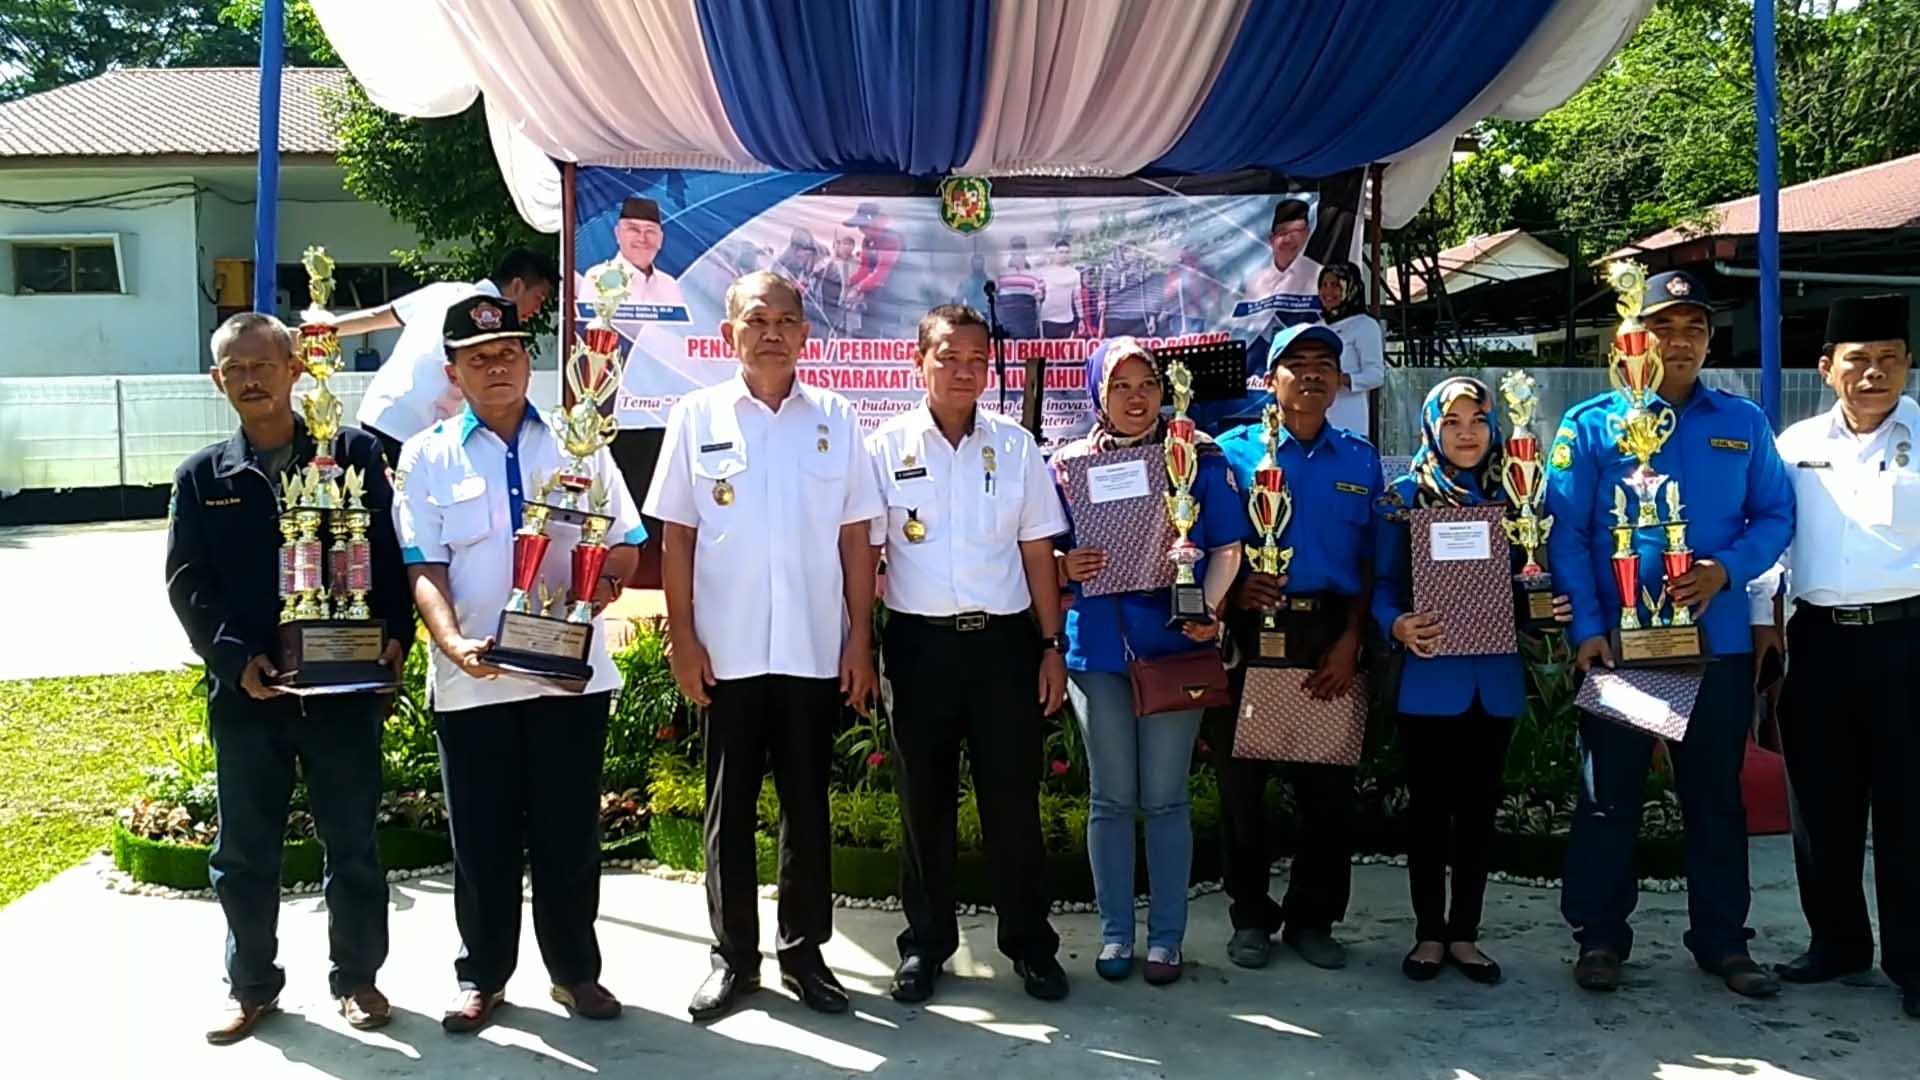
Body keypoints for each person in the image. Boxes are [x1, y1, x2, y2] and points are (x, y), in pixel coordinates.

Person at [394, 295, 645, 1033]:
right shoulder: (426, 455)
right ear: (454, 373)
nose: (495, 366)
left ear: (528, 361)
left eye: (507, 352)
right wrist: (449, 643)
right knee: (482, 842)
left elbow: (625, 542)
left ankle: (575, 974)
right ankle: (483, 977)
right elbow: (424, 565)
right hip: (473, 680)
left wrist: (596, 594)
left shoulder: (580, 442)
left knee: (569, 836)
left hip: (568, 677)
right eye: (477, 358)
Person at [1544, 270, 1794, 998]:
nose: (1678, 342)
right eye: (1663, 327)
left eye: (1693, 329)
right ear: (1636, 337)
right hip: (1622, 649)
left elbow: (1775, 514)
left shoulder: (1742, 422)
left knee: (1715, 798)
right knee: (1609, 795)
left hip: (1714, 645)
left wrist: (1725, 570)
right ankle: (1600, 937)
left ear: (1709, 341)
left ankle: (1723, 941)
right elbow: (1567, 533)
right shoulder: (1592, 424)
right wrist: (1587, 628)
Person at [646, 272, 884, 1021]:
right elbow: (677, 537)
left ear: (806, 334)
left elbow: (857, 537)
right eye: (757, 319)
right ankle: (734, 959)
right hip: (729, 650)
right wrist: (684, 638)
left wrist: (859, 640)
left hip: (814, 648)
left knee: (807, 809)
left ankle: (804, 955)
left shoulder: (838, 418)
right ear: (730, 335)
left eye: (786, 320)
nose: (772, 332)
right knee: (730, 810)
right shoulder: (695, 415)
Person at [167, 312, 411, 1044]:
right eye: (235, 369)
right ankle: (250, 986)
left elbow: (391, 554)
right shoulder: (203, 476)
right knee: (243, 851)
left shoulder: (352, 452)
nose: (251, 379)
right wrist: (235, 660)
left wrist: (394, 640)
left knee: (353, 844)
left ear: (295, 369)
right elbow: (188, 582)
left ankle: (358, 978)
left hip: (342, 692)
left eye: (263, 364)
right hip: (250, 695)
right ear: (218, 380)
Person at [867, 304, 1072, 1004]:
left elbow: (1038, 553)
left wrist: (1051, 646)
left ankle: (1031, 946)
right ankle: (926, 945)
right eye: (948, 357)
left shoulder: (1016, 447)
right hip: (918, 647)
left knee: (1012, 803)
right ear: (918, 361)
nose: (963, 371)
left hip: (1003, 648)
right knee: (923, 805)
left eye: (976, 359)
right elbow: (862, 554)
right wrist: (856, 642)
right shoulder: (884, 447)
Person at [1746, 294, 1920, 1021]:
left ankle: (1914, 961)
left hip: (1908, 638)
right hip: (1817, 638)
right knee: (1820, 803)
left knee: (1910, 806)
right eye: (1858, 360)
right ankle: (1837, 942)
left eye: (1888, 359)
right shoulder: (1793, 445)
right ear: (1826, 368)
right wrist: (1764, 624)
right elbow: (1771, 541)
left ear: (1907, 364)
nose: (1873, 373)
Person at [1053, 338, 1247, 985]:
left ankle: (1166, 938)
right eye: (1120, 386)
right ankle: (1115, 934)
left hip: (1174, 644)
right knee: (1111, 798)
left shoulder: (1197, 454)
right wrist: (1063, 565)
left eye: (1148, 384)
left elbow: (1227, 546)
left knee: (1165, 799)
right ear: (1098, 394)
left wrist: (1208, 608)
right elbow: (1039, 547)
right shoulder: (1069, 465)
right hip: (1099, 649)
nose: (1136, 398)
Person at [1372, 377, 1572, 986]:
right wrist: (1396, 624)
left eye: (1478, 420)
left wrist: (1548, 607)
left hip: (1494, 678)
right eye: (1453, 422)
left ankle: (1465, 933)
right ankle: (1429, 932)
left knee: (1479, 811)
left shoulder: (1519, 493)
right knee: (1430, 812)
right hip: (1431, 674)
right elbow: (1382, 585)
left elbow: (1536, 576)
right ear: (1431, 428)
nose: (1467, 433)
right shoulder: (1405, 497)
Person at [1209, 322, 1377, 972]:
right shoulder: (1230, 454)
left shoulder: (1359, 459)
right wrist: (1233, 590)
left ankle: (1314, 918)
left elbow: (1371, 560)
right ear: (1270, 379)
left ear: (1338, 381)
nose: (1311, 374)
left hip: (1329, 633)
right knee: (1242, 789)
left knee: (1326, 789)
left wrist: (1352, 640)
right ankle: (1250, 916)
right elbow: (1202, 542)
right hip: (1251, 632)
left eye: (1323, 364)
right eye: (1296, 363)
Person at [344, 249, 557, 468]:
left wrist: (326, 329)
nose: (537, 310)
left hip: (378, 413)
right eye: (539, 297)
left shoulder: (443, 291)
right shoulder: (487, 319)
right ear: (518, 286)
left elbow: (376, 317)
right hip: (410, 431)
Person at [1316, 262, 1386, 440]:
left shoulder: (1365, 325)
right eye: (1323, 285)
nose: (1328, 291)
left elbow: (1376, 375)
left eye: (1335, 285)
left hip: (1350, 423)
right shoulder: (1317, 327)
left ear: (1351, 288)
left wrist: (1344, 380)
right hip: (1316, 422)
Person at [845, 202, 905, 337]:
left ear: (874, 223)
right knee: (867, 330)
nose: (861, 230)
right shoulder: (867, 241)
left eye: (863, 226)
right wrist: (849, 283)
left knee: (889, 333)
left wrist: (858, 289)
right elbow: (864, 268)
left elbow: (882, 272)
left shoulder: (891, 240)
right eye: (860, 227)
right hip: (873, 297)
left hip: (893, 296)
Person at [995, 237, 1046, 341]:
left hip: (1027, 321)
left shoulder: (1035, 274)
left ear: (1025, 251)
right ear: (1010, 251)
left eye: (1021, 248)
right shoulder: (1001, 273)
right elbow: (994, 294)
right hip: (1006, 320)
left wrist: (1040, 296)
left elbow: (1042, 296)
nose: (1018, 252)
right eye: (1015, 248)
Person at [1039, 239, 1083, 339]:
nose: (1064, 255)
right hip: (1048, 319)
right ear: (1055, 253)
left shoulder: (1075, 274)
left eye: (1066, 252)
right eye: (1061, 252)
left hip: (1067, 319)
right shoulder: (1044, 272)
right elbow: (1039, 294)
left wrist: (1081, 318)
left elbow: (1077, 298)